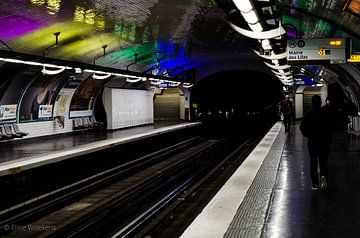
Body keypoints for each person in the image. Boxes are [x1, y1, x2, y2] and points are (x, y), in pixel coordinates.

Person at [300, 95, 334, 190]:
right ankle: (323, 176)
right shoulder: (327, 113)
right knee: (324, 161)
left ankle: (314, 184)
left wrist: (308, 135)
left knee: (313, 162)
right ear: (320, 102)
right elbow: (332, 127)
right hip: (324, 142)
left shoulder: (307, 114)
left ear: (312, 102)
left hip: (312, 142)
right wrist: (328, 138)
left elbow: (303, 128)